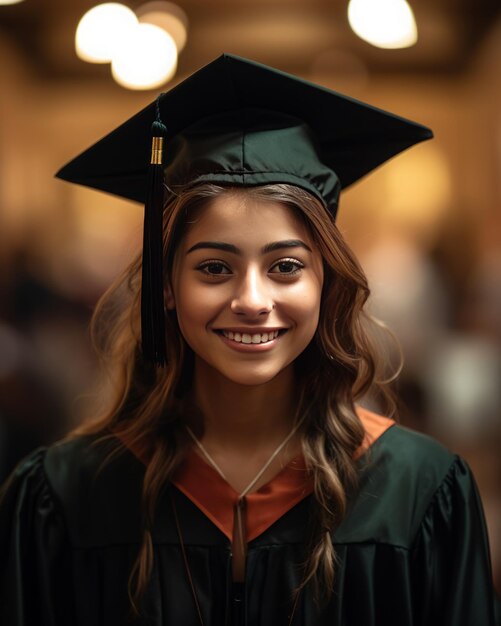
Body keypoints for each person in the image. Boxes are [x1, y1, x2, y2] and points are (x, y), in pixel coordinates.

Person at [0, 54, 497, 626]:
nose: (253, 300)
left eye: (286, 266)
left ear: (326, 281)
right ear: (166, 286)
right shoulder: (65, 496)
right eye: (214, 268)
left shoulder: (419, 490)